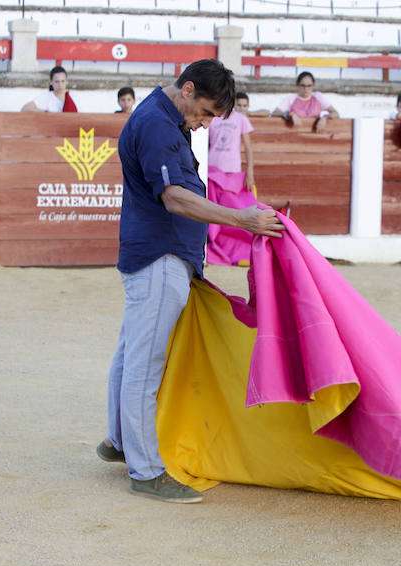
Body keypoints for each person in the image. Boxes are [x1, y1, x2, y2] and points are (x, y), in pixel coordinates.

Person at [96, 59, 284, 503]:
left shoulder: (163, 119)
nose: (202, 125)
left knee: (130, 354)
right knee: (144, 365)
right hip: (160, 256)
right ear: (187, 89)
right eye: (203, 113)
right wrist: (243, 219)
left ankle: (118, 441)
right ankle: (145, 470)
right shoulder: (160, 125)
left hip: (155, 254)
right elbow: (176, 197)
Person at [209, 91, 255, 191]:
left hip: (232, 168)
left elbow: (248, 147)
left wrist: (250, 172)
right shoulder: (212, 118)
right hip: (212, 167)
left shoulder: (241, 119)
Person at [271, 71, 339, 132]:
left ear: (313, 85)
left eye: (309, 86)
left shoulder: (318, 96)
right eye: (303, 85)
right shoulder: (291, 98)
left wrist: (325, 118)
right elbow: (275, 113)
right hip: (295, 136)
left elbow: (335, 113)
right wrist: (289, 114)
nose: (306, 89)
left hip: (315, 135)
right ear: (297, 85)